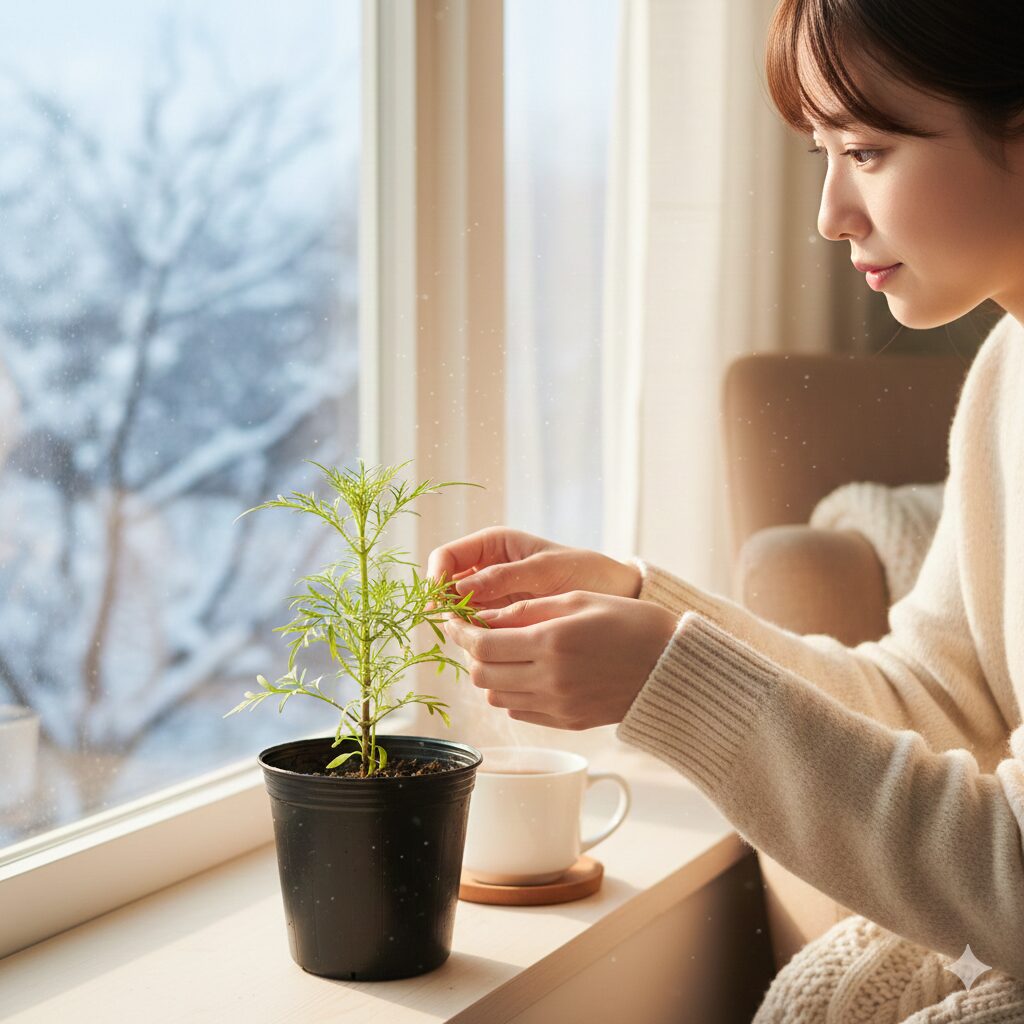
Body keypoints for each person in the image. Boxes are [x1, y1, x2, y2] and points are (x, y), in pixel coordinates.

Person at [431, 0, 1024, 1018]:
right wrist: (650, 613)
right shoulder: (1008, 366)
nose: (831, 213)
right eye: (821, 153)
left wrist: (667, 671)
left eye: (868, 152)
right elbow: (938, 698)